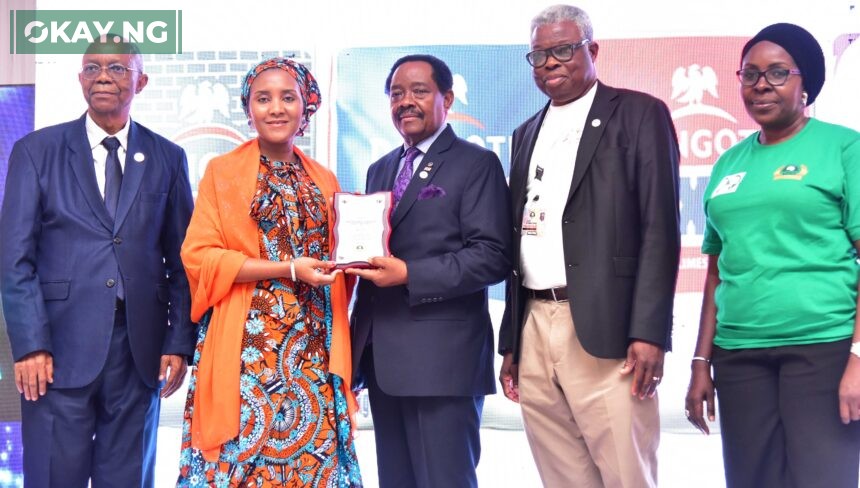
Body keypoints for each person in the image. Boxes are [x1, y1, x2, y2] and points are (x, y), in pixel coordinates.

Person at [498, 4, 681, 487]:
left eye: (563, 50)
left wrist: (650, 332)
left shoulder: (640, 114)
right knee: (561, 476)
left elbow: (660, 230)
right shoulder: (524, 134)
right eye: (539, 56)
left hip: (609, 329)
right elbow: (518, 241)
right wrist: (512, 341)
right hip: (535, 324)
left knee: (626, 472)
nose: (551, 63)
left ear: (592, 50)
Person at [0, 37, 195, 488]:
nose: (103, 76)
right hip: (55, 352)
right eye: (92, 68)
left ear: (141, 81)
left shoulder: (168, 157)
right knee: (53, 477)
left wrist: (179, 341)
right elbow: (15, 260)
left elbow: (183, 260)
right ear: (80, 79)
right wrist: (30, 344)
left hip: (138, 353)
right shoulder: (35, 152)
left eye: (117, 68)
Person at [685, 23, 860, 488]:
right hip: (738, 356)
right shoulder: (728, 163)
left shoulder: (845, 148)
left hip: (821, 349)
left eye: (778, 73)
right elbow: (716, 272)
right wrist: (701, 362)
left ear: (807, 85)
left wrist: (859, 359)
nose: (760, 85)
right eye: (750, 74)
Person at [176, 57, 362, 487]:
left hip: (313, 349)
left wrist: (354, 261)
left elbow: (336, 258)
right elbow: (199, 256)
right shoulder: (222, 173)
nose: (275, 108)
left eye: (287, 97)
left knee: (314, 461)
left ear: (305, 107)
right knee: (242, 461)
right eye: (263, 98)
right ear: (248, 109)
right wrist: (288, 268)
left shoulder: (324, 179)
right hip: (246, 350)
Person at [347, 54, 511, 488]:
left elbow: (492, 256)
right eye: (396, 94)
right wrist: (354, 351)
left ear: (447, 98)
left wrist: (409, 274)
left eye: (419, 91)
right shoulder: (380, 167)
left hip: (443, 362)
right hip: (383, 362)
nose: (406, 102)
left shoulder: (476, 164)